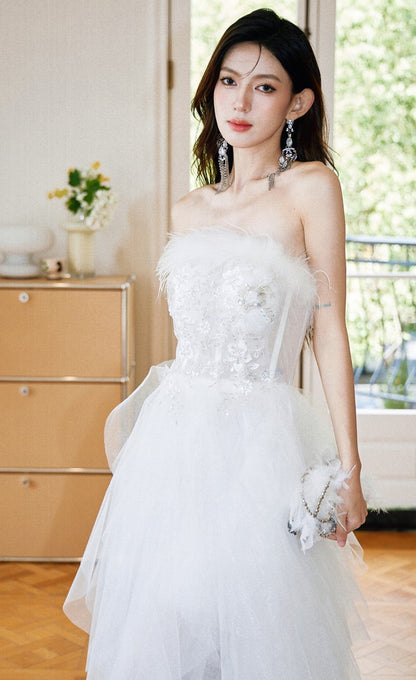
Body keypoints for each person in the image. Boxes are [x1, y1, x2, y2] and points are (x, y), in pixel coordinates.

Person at [64, 9, 368, 679]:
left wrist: (349, 468)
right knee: (172, 620)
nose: (241, 101)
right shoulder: (189, 208)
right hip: (173, 445)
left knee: (262, 627)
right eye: (229, 81)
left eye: (265, 86)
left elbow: (329, 329)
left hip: (262, 443)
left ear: (298, 103)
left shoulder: (312, 189)